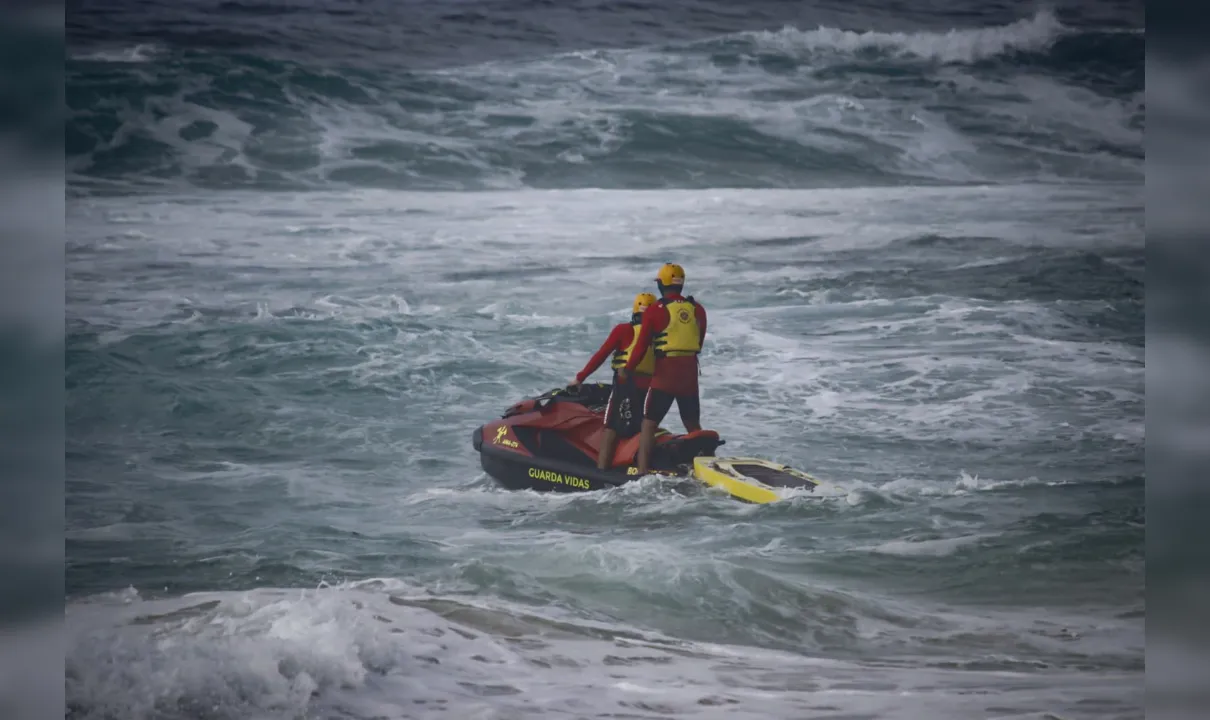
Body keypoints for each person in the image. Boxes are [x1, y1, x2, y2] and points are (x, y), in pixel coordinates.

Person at [617, 263, 707, 475]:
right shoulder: (697, 309)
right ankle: (707, 465)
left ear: (662, 285)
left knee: (649, 423)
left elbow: (640, 348)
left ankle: (642, 472)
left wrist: (627, 370)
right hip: (689, 374)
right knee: (692, 423)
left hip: (665, 374)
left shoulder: (656, 310)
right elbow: (699, 343)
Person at [569, 292, 658, 469]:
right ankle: (641, 471)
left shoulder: (624, 330)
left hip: (626, 385)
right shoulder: (658, 335)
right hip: (650, 389)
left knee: (611, 427)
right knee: (644, 429)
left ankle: (601, 472)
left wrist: (580, 377)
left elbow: (601, 355)